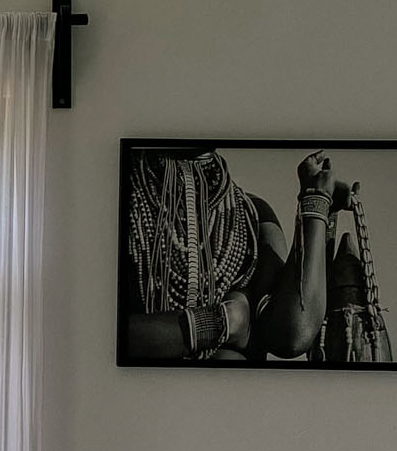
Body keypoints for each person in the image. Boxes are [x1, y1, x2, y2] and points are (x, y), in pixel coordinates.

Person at [124, 148, 350, 363]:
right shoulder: (123, 195)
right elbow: (106, 334)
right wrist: (223, 322)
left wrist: (317, 203)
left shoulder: (251, 215)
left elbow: (291, 335)